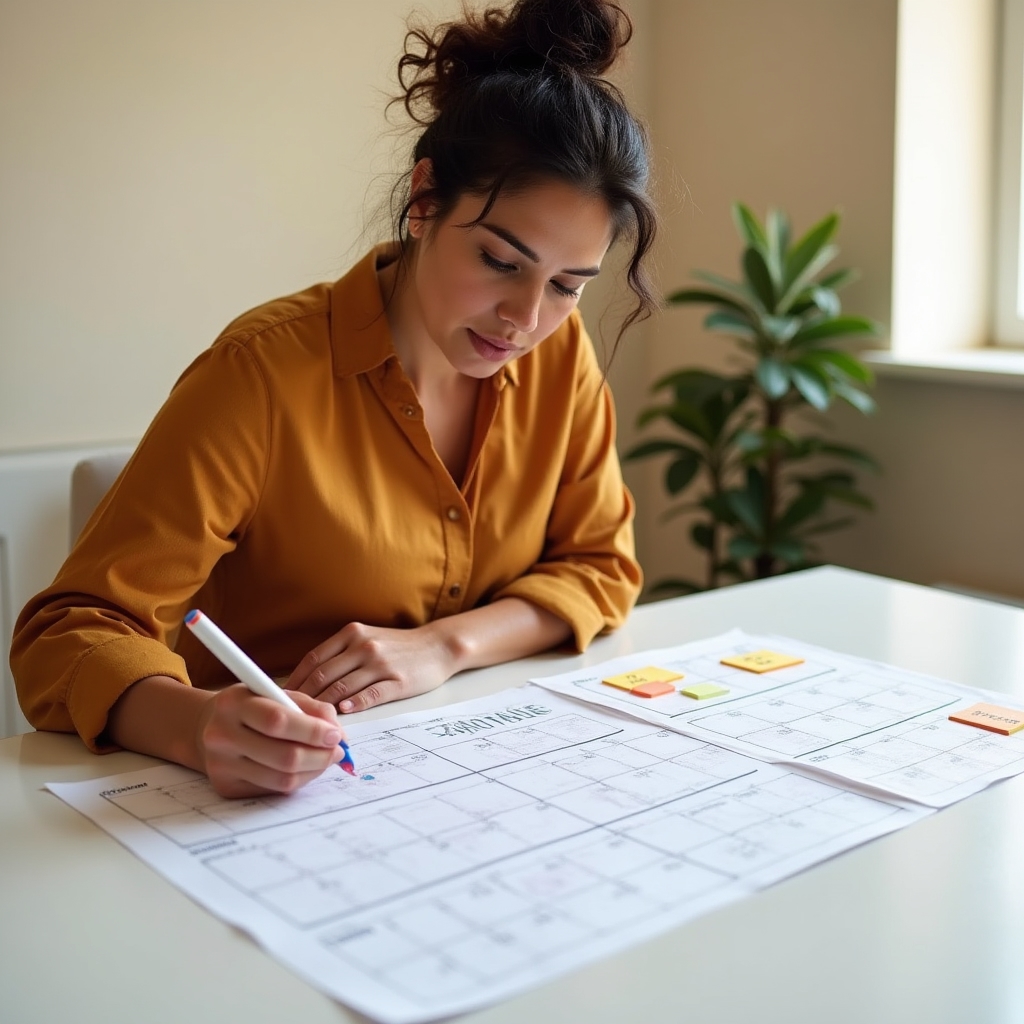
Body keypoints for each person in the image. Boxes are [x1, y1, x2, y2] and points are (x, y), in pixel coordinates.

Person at [11, 0, 656, 798]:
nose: (526, 319)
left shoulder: (560, 355)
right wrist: (195, 725)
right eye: (499, 260)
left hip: (466, 780)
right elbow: (67, 634)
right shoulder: (262, 373)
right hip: (252, 804)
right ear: (424, 201)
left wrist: (444, 647)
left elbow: (599, 567)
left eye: (567, 285)